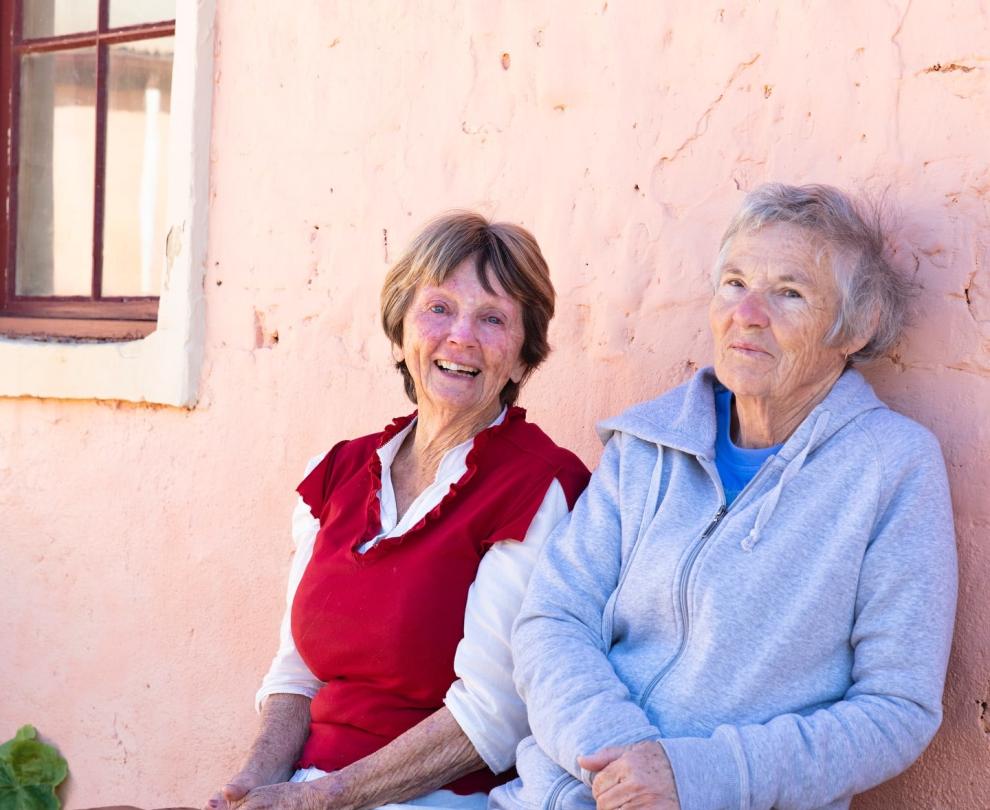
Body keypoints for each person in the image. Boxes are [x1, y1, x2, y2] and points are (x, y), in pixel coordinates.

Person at [492, 184, 957, 810]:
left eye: (789, 293)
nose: (748, 313)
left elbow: (895, 709)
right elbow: (554, 618)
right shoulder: (646, 443)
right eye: (735, 283)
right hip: (565, 791)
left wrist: (696, 775)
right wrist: (620, 759)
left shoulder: (893, 467)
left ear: (856, 328)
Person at [206, 213, 590, 810]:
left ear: (521, 359)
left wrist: (319, 800)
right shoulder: (335, 474)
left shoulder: (539, 488)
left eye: (492, 319)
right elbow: (297, 671)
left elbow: (493, 716)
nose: (460, 335)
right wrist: (257, 778)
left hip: (440, 798)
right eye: (438, 308)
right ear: (401, 330)